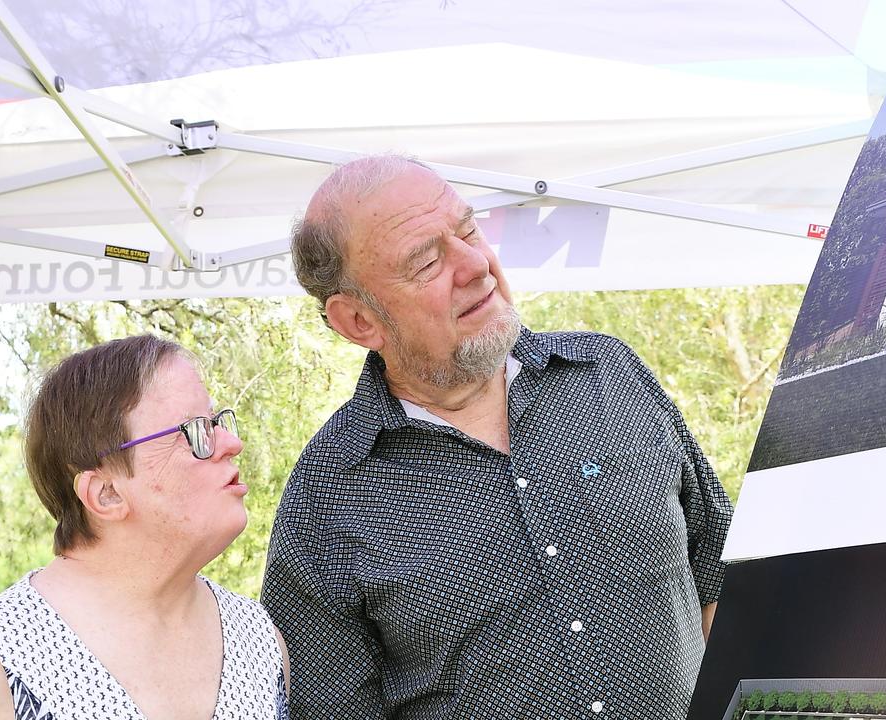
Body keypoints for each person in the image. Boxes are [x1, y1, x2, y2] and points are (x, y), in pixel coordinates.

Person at [262, 155, 733, 719]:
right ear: (360, 321)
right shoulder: (327, 497)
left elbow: (720, 578)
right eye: (427, 262)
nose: (476, 266)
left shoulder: (610, 375)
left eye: (468, 231)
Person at [0, 335, 289, 720]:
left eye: (217, 422)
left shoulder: (256, 638)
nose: (231, 443)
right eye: (195, 431)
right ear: (105, 494)